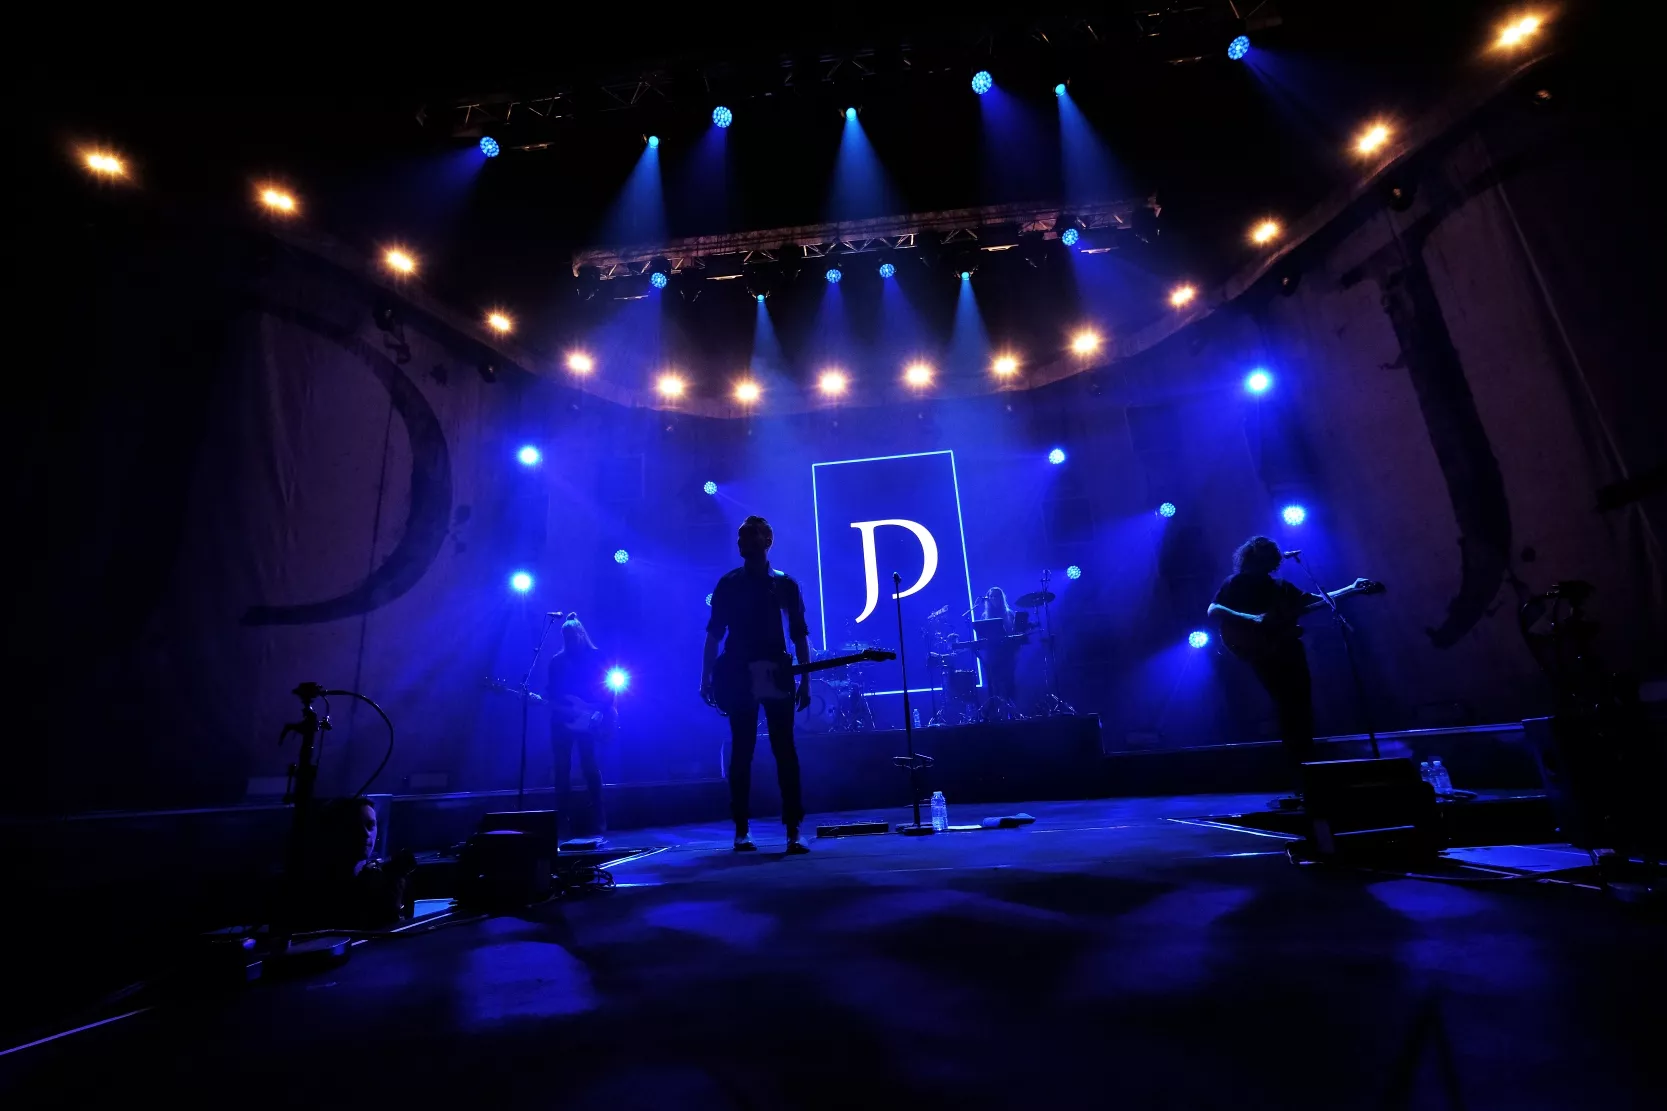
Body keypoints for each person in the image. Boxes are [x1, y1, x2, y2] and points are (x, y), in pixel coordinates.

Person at [1207, 536, 1372, 797]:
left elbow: (1314, 600)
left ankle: (1308, 773)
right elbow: (1214, 610)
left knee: (1301, 708)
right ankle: (1300, 776)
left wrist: (1352, 589)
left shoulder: (1280, 587)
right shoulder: (1236, 583)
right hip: (1263, 651)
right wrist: (1252, 618)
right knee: (1288, 708)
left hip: (1288, 649)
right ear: (1251, 558)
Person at [701, 515, 813, 855]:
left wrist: (806, 681)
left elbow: (799, 635)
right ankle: (741, 829)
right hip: (739, 672)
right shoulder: (728, 584)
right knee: (742, 751)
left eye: (749, 536)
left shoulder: (785, 584)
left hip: (776, 672)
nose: (742, 542)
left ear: (766, 541)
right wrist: (706, 677)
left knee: (784, 751)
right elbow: (713, 635)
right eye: (740, 537)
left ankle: (793, 829)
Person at [547, 613, 614, 840]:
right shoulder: (557, 661)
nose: (570, 640)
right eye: (566, 637)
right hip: (562, 720)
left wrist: (599, 711)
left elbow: (609, 688)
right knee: (561, 769)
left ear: (581, 634)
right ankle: (562, 822)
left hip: (590, 717)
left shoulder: (596, 657)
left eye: (572, 636)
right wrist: (549, 702)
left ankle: (599, 816)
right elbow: (551, 693)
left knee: (589, 766)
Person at [977, 586, 1020, 705]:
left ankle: (1012, 710)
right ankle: (998, 711)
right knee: (994, 686)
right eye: (991, 596)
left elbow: (1015, 633)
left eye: (996, 596)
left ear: (1001, 598)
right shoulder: (985, 616)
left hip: (1007, 654)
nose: (993, 598)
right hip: (992, 656)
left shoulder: (1009, 614)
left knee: (1009, 684)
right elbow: (981, 635)